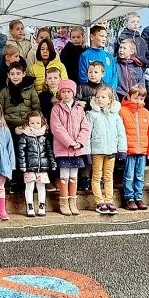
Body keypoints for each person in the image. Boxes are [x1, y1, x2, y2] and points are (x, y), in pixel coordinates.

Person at [0, 60, 40, 193]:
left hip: (26, 128)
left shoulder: (30, 90)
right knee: (14, 154)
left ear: (24, 74)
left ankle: (29, 182)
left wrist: (32, 125)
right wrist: (4, 125)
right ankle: (15, 181)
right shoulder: (4, 91)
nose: (15, 76)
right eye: (12, 74)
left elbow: (36, 108)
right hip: (9, 127)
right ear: (8, 75)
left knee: (28, 154)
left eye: (18, 73)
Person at [50, 79, 90, 216]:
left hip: (77, 149)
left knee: (74, 175)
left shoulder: (79, 109)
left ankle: (73, 202)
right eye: (63, 92)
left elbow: (85, 128)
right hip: (63, 148)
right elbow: (56, 128)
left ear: (73, 93)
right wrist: (69, 142)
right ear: (59, 93)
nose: (66, 94)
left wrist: (79, 142)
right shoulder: (56, 109)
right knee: (64, 175)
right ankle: (64, 202)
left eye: (69, 92)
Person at [86, 85, 127, 215]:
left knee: (108, 176)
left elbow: (121, 133)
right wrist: (87, 152)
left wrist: (122, 150)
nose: (100, 99)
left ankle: (109, 201)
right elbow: (87, 134)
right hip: (97, 151)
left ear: (110, 99)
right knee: (96, 176)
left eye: (103, 97)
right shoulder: (91, 114)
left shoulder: (115, 115)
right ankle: (99, 202)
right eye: (97, 97)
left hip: (111, 151)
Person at [119, 84, 149, 210]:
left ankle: (138, 197)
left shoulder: (146, 113)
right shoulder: (122, 111)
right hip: (129, 150)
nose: (138, 101)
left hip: (142, 150)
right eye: (135, 98)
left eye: (141, 99)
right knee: (129, 175)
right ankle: (129, 198)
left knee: (140, 175)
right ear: (129, 97)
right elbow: (120, 132)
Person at [17, 111, 56, 217]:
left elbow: (49, 151)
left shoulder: (44, 136)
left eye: (38, 123)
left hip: (42, 167)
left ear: (42, 123)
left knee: (41, 187)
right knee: (29, 187)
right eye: (32, 123)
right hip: (29, 167)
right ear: (28, 123)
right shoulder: (24, 136)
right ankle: (30, 207)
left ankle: (41, 206)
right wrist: (22, 164)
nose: (35, 125)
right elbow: (21, 152)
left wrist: (52, 162)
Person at [79, 25, 117, 91]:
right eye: (101, 36)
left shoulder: (109, 56)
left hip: (108, 93)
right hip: (92, 93)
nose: (104, 39)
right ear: (92, 37)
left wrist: (111, 90)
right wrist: (92, 91)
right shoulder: (85, 55)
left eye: (105, 37)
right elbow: (83, 77)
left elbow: (114, 75)